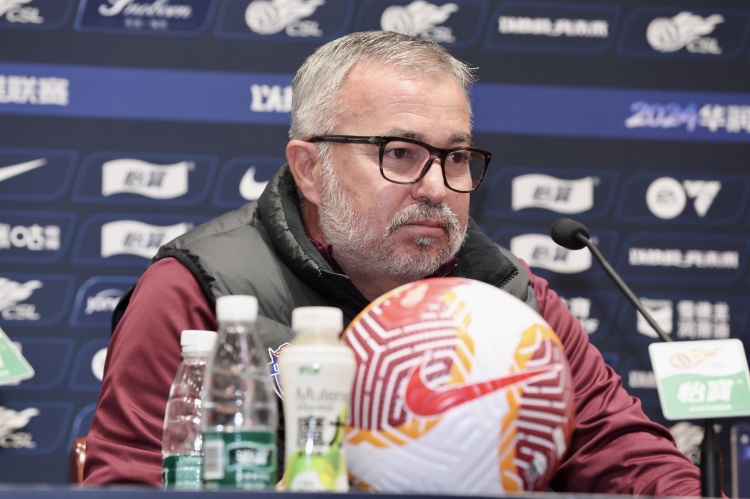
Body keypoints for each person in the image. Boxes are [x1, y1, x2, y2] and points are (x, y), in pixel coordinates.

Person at [83, 31, 703, 495]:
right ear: (310, 169)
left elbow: (627, 456)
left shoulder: (510, 297)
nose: (436, 187)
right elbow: (130, 482)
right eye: (400, 153)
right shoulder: (199, 291)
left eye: (455, 157)